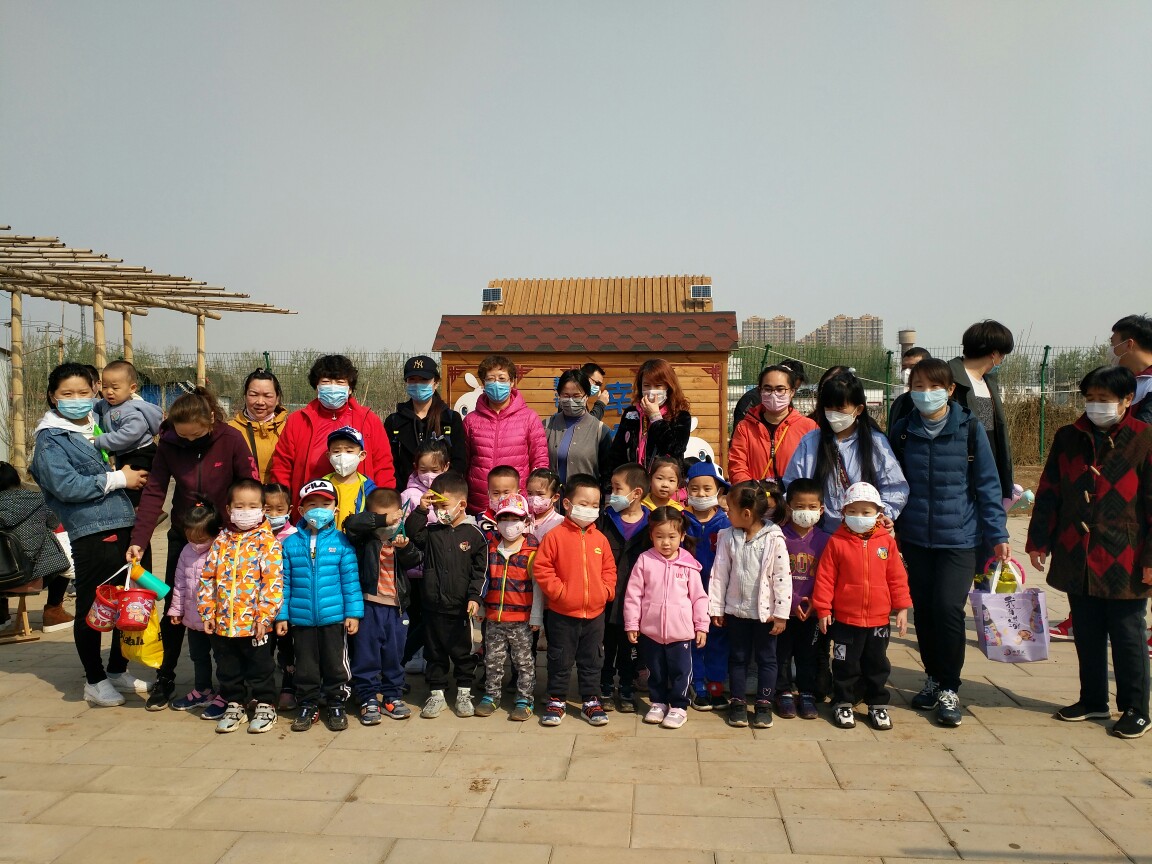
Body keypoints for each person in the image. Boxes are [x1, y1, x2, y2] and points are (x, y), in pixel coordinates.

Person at [1027, 366, 1152, 739]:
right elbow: (1049, 491)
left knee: (1128, 632)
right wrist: (1039, 540)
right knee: (1086, 629)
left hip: (1126, 555)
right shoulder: (1069, 437)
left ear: (1127, 400)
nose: (1096, 405)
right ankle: (1093, 699)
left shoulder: (1145, 439)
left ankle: (1136, 708)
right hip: (1076, 551)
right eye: (1091, 398)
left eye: (1105, 399)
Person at [889, 358, 1010, 727]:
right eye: (919, 387)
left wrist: (998, 533)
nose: (926, 394)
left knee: (947, 608)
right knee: (925, 611)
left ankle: (949, 686)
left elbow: (988, 485)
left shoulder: (970, 428)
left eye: (934, 387)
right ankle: (931, 677)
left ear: (951, 389)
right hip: (914, 538)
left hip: (960, 537)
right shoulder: (903, 431)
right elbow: (892, 482)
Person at [126, 387, 259, 711]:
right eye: (182, 436)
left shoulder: (231, 439)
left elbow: (249, 484)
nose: (189, 442)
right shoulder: (169, 443)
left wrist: (250, 531)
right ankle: (166, 677)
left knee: (227, 606)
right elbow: (155, 492)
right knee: (176, 607)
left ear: (210, 420)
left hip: (227, 537)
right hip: (185, 536)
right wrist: (138, 540)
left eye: (196, 436)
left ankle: (235, 685)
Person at [29, 363, 151, 706]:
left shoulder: (101, 419)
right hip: (94, 530)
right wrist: (119, 479)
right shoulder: (51, 439)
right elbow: (66, 486)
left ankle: (117, 669)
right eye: (67, 394)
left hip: (127, 524)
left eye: (83, 392)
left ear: (95, 389)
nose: (76, 399)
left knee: (130, 600)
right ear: (53, 397)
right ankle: (95, 680)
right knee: (94, 605)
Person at [813, 482, 912, 731]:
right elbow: (825, 578)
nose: (859, 516)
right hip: (845, 619)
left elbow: (897, 577)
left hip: (879, 620)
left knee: (877, 664)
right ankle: (843, 701)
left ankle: (877, 704)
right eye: (853, 511)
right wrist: (823, 609)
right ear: (844, 512)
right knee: (845, 664)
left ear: (878, 514)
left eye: (866, 512)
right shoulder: (837, 542)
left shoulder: (886, 543)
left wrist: (902, 607)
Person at [197, 478, 284, 733]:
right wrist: (207, 612)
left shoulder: (267, 542)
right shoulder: (221, 541)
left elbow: (273, 582)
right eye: (240, 506)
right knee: (228, 667)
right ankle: (235, 703)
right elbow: (207, 578)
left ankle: (265, 704)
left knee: (261, 667)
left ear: (263, 509)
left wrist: (264, 617)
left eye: (252, 506)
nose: (246, 511)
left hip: (255, 624)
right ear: (229, 509)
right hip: (223, 623)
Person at [277, 479, 363, 733]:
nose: (318, 509)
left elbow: (350, 581)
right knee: (305, 666)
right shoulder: (290, 544)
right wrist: (282, 615)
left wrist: (353, 613)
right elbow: (284, 583)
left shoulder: (342, 542)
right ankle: (308, 703)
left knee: (336, 664)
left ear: (335, 509)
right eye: (312, 504)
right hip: (301, 619)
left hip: (334, 618)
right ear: (301, 510)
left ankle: (336, 702)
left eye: (325, 504)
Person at [533, 473, 618, 727]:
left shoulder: (600, 539)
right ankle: (556, 699)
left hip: (595, 614)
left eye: (595, 505)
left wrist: (605, 591)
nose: (590, 509)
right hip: (562, 614)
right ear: (567, 504)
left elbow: (609, 570)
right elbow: (542, 568)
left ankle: (590, 701)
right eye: (584, 503)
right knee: (559, 658)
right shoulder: (554, 536)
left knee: (592, 659)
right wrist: (560, 593)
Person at [708, 481, 792, 729]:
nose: (727, 514)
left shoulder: (774, 538)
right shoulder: (728, 537)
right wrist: (716, 607)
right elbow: (719, 574)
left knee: (767, 659)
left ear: (746, 514)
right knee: (738, 658)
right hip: (736, 611)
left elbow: (782, 578)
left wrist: (781, 613)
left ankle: (764, 704)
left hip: (766, 616)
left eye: (730, 510)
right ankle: (738, 702)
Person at [405, 471, 488, 719]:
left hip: (461, 608)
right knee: (434, 653)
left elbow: (481, 572)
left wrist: (475, 597)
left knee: (463, 652)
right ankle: (437, 693)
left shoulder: (474, 535)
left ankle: (464, 691)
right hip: (433, 606)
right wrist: (421, 510)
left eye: (444, 506)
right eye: (436, 506)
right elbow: (412, 533)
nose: (439, 511)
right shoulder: (431, 531)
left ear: (462, 505)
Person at [783, 372, 908, 531]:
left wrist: (882, 515)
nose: (833, 413)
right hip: (818, 533)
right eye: (829, 407)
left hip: (863, 533)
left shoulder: (875, 443)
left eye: (840, 408)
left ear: (859, 409)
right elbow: (794, 485)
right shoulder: (810, 442)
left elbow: (894, 488)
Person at [270, 354, 396, 511]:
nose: (332, 387)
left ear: (350, 389)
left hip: (360, 511)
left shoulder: (368, 420)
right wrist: (282, 507)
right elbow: (282, 467)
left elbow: (383, 467)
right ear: (317, 387)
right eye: (326, 382)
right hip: (310, 509)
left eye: (340, 382)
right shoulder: (298, 421)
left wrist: (384, 508)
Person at [624, 507, 709, 730]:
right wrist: (632, 623)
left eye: (672, 536)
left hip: (681, 633)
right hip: (651, 631)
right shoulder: (645, 560)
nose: (666, 543)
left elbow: (699, 597)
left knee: (681, 671)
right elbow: (633, 595)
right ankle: (658, 702)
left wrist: (701, 626)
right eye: (659, 536)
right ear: (651, 535)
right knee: (655, 670)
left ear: (682, 536)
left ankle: (679, 706)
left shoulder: (688, 563)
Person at [345, 487, 422, 724]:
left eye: (393, 517)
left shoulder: (401, 537)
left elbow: (416, 559)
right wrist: (380, 520)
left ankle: (392, 696)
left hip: (397, 608)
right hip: (369, 605)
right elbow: (351, 524)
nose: (389, 524)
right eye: (381, 517)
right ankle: (367, 697)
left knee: (394, 655)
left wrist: (405, 548)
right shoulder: (364, 539)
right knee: (366, 654)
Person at [475, 493, 543, 721]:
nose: (509, 524)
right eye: (504, 518)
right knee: (492, 660)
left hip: (521, 620)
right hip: (494, 618)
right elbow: (484, 580)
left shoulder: (533, 550)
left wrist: (536, 617)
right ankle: (491, 696)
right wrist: (482, 609)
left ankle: (525, 699)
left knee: (523, 662)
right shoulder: (490, 548)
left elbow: (538, 587)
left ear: (526, 521)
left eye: (515, 519)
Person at [462, 355, 548, 513]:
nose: (496, 384)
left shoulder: (529, 418)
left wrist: (534, 498)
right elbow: (463, 462)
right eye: (490, 379)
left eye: (502, 379)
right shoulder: (471, 420)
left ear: (512, 381)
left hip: (516, 506)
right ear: (483, 383)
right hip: (479, 505)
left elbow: (540, 461)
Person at [776, 478, 831, 721]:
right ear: (789, 508)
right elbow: (773, 575)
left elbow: (828, 577)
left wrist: (816, 603)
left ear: (821, 510)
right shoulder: (778, 537)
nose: (805, 512)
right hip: (784, 610)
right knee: (782, 654)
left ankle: (807, 692)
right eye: (799, 506)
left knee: (808, 654)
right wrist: (793, 600)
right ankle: (783, 692)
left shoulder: (825, 540)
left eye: (812, 507)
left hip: (812, 612)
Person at [598, 463, 651, 712]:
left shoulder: (652, 524)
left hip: (637, 602)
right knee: (606, 647)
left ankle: (627, 687)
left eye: (617, 488)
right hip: (607, 597)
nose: (612, 494)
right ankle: (605, 686)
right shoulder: (605, 519)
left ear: (636, 493)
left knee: (631, 647)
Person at [682, 458, 732, 710]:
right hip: (687, 595)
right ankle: (697, 684)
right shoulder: (680, 521)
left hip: (718, 596)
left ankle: (716, 684)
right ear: (687, 490)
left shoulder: (727, 524)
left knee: (718, 639)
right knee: (693, 638)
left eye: (707, 489)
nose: (701, 494)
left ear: (719, 491)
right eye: (695, 489)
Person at [0, 462, 72, 631]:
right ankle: (53, 611)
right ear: (17, 480)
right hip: (32, 576)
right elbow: (54, 523)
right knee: (62, 550)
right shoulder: (38, 500)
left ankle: (1, 615)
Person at [167, 501, 224, 715]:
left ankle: (227, 692)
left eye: (201, 539)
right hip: (192, 618)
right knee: (198, 656)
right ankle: (202, 690)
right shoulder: (186, 551)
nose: (196, 543)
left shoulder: (221, 550)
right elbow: (180, 583)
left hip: (217, 620)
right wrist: (176, 609)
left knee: (222, 657)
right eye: (191, 538)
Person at [948, 321, 1014, 499]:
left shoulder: (989, 383)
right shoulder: (949, 379)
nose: (1002, 360)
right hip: (961, 477)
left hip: (988, 473)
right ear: (994, 354)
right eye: (1003, 355)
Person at [385, 355, 467, 492]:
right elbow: (390, 462)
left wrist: (443, 490)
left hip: (443, 493)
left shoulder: (451, 419)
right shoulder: (394, 421)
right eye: (412, 380)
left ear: (436, 383)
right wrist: (403, 494)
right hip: (405, 495)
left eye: (424, 380)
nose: (418, 384)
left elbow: (459, 461)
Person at [729, 364, 818, 485]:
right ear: (760, 391)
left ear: (792, 392)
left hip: (794, 495)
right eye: (768, 389)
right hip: (755, 495)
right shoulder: (744, 427)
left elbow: (815, 467)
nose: (773, 394)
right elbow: (737, 465)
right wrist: (752, 491)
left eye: (780, 389)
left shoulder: (809, 428)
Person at [93, 360, 163, 506]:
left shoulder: (131, 410)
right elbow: (95, 407)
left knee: (135, 484)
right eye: (105, 387)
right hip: (126, 453)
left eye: (115, 387)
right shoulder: (106, 403)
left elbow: (128, 435)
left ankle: (143, 511)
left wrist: (102, 440)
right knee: (128, 484)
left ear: (132, 388)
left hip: (141, 452)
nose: (109, 391)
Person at [607, 359, 692, 474]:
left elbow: (676, 449)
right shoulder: (631, 413)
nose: (652, 391)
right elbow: (617, 452)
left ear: (669, 386)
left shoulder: (680, 416)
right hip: (634, 480)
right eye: (646, 385)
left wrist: (655, 417)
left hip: (664, 480)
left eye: (658, 385)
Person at [263, 481, 298, 711]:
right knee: (263, 650)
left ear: (290, 509)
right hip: (262, 606)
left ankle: (288, 688)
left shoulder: (295, 537)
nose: (274, 515)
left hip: (288, 604)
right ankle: (263, 691)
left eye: (279, 509)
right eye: (268, 509)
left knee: (288, 649)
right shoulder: (255, 536)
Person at [545, 369, 612, 484]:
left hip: (586, 495)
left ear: (586, 396)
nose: (570, 400)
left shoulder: (600, 430)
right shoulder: (547, 426)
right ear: (559, 395)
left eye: (576, 396)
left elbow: (607, 473)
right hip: (553, 495)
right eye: (566, 395)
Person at [227, 368, 288, 483]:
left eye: (267, 396)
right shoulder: (230, 431)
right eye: (253, 395)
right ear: (245, 396)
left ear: (277, 398)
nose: (260, 402)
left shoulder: (289, 430)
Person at [322, 426, 377, 528]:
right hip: (327, 537)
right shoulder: (322, 486)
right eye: (336, 451)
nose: (342, 456)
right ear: (329, 456)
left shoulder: (368, 488)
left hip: (357, 537)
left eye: (349, 451)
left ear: (362, 455)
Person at [1111, 316, 1152, 420]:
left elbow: (1143, 427)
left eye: (1112, 344)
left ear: (1129, 344)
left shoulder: (1149, 384)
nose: (1111, 350)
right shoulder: (1125, 382)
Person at [888, 348, 931, 431]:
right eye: (904, 367)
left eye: (913, 367)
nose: (907, 372)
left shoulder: (938, 400)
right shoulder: (900, 402)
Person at [477, 465, 521, 540]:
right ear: (488, 494)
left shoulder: (523, 519)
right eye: (496, 493)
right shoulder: (481, 519)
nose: (501, 498)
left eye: (506, 493)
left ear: (518, 494)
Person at [525, 468, 564, 537]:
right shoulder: (523, 520)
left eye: (540, 494)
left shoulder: (560, 522)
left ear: (555, 497)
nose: (534, 498)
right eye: (530, 493)